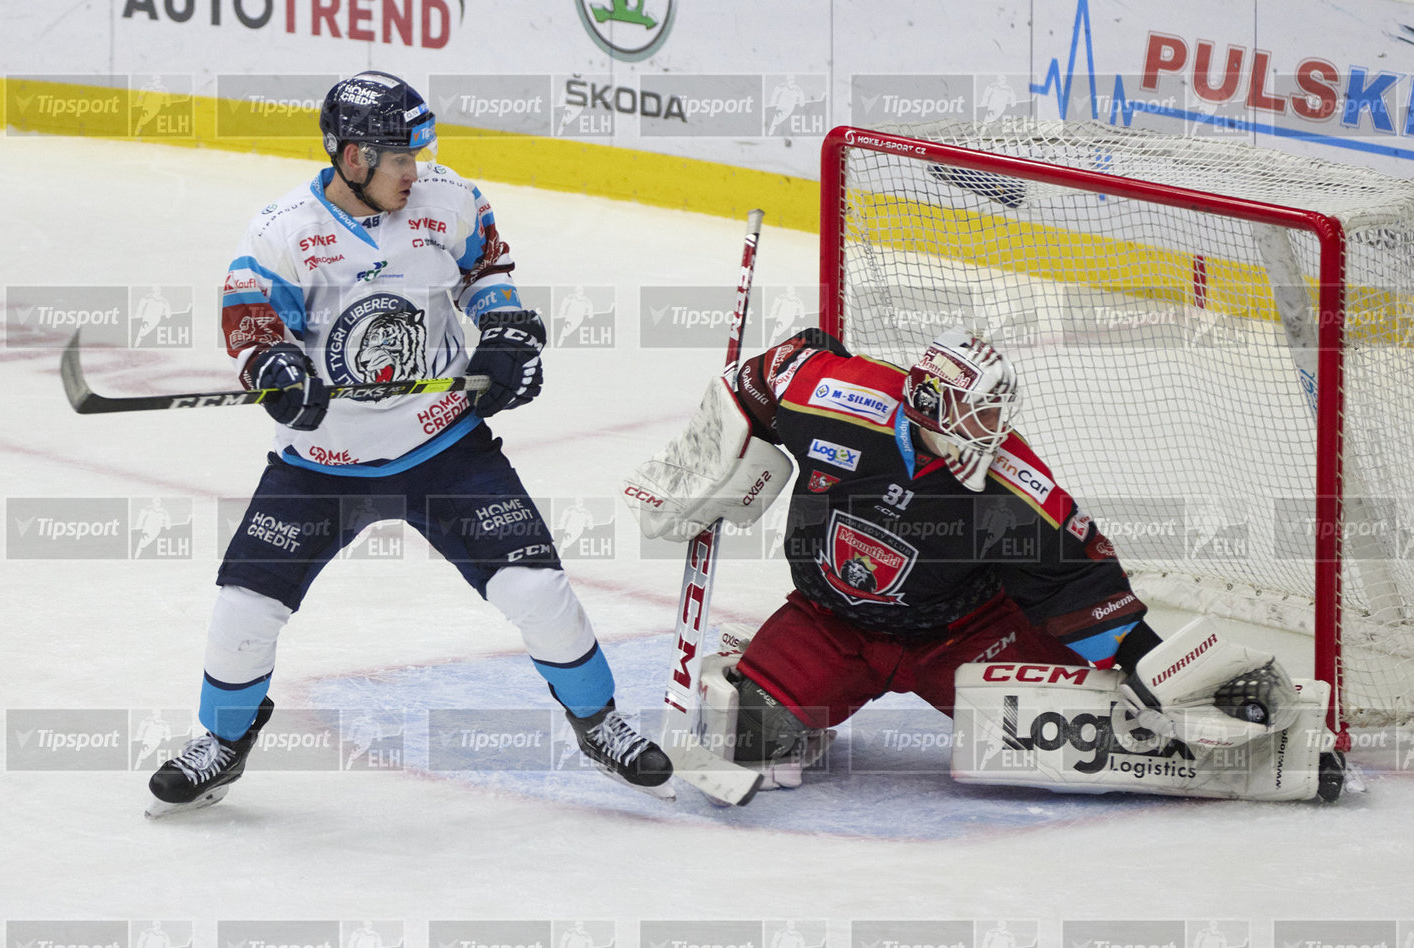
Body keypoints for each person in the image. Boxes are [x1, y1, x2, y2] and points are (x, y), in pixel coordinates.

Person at [147, 71, 671, 816]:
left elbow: (487, 270)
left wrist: (506, 334)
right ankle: (222, 742)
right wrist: (276, 366)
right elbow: (251, 319)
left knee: (538, 589)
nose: (412, 172)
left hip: (444, 447)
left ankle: (599, 723)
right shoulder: (284, 230)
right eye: (397, 158)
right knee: (244, 608)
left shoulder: (448, 201)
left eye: (416, 155)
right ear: (352, 156)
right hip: (321, 464)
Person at [624, 327, 1345, 802]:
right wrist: (697, 468)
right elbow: (757, 380)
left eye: (995, 414)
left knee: (1096, 733)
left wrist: (1149, 667)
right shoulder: (837, 402)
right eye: (974, 416)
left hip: (966, 638)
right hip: (829, 622)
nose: (990, 433)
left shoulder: (1014, 487)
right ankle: (773, 684)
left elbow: (1079, 583)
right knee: (748, 739)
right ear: (931, 404)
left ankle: (1278, 749)